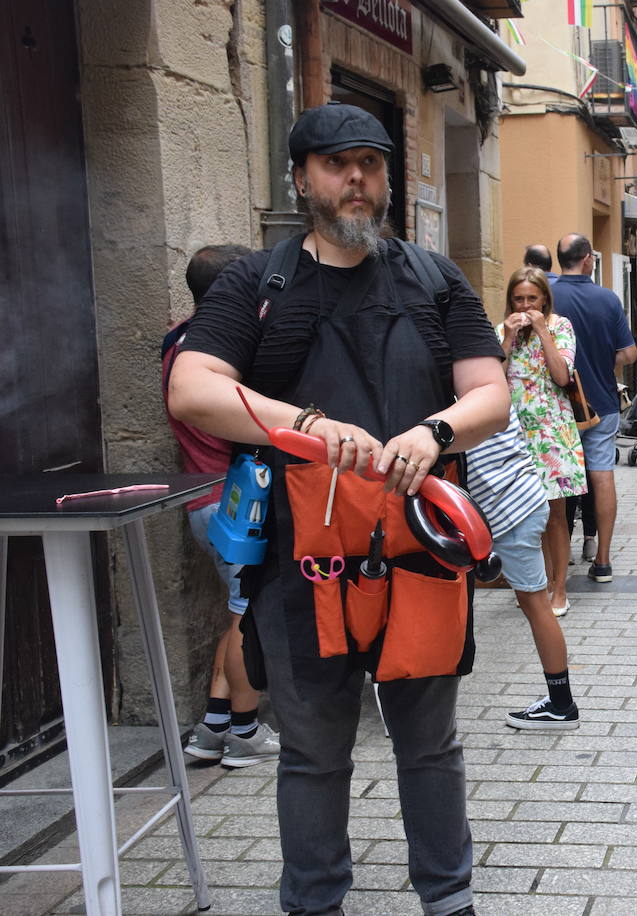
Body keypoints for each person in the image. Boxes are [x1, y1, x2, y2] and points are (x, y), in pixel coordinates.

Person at [168, 102, 508, 916]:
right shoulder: (258, 281)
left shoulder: (436, 277)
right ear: (301, 178)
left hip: (421, 557)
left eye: (370, 162)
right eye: (334, 163)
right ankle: (315, 903)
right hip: (301, 566)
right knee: (314, 754)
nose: (354, 178)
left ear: (387, 177)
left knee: (429, 746)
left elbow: (490, 393)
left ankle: (449, 898)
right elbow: (192, 388)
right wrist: (310, 427)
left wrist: (436, 431)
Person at [163, 243, 280, 769]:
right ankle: (246, 731)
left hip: (202, 499)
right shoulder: (224, 353)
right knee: (248, 616)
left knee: (236, 612)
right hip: (238, 501)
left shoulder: (179, 343)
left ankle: (213, 725)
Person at [467, 408, 581, 730]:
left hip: (509, 511)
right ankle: (560, 704)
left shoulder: (471, 392)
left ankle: (561, 705)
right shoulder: (487, 385)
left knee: (536, 604)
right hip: (518, 503)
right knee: (536, 603)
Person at [500, 266, 587, 617]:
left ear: (544, 299)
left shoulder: (560, 326)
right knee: (524, 515)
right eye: (518, 299)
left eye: (531, 298)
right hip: (515, 434)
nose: (524, 305)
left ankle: (560, 588)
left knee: (556, 515)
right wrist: (507, 338)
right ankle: (538, 584)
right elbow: (492, 376)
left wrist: (541, 330)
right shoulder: (502, 330)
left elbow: (561, 374)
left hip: (552, 432)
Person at [553, 233, 637, 583]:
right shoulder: (607, 299)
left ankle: (556, 566)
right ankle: (602, 560)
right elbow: (629, 353)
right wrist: (603, 364)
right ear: (588, 258)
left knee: (557, 481)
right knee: (601, 475)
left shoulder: (549, 297)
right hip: (600, 402)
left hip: (557, 406)